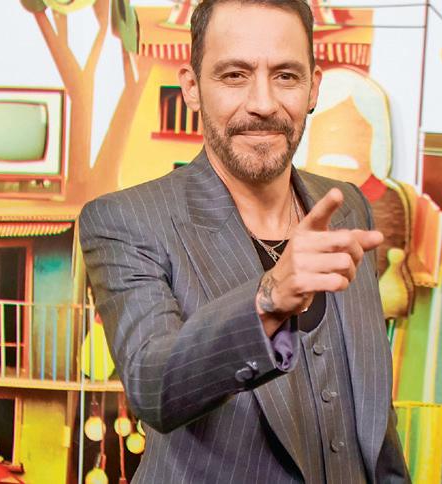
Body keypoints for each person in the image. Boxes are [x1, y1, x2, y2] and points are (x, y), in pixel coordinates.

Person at [79, 1, 410, 482]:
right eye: (234, 75)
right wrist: (269, 300)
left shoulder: (347, 207)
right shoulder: (125, 220)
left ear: (313, 87)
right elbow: (153, 386)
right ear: (191, 87)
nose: (263, 103)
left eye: (286, 76)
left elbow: (375, 414)